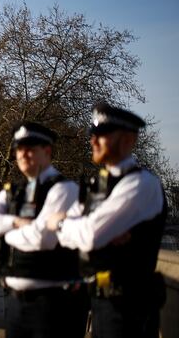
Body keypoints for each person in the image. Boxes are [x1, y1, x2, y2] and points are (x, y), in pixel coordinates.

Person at [46, 102, 166, 338]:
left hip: (129, 306)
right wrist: (87, 230)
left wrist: (61, 223)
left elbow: (89, 235)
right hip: (99, 300)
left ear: (128, 140)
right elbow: (76, 237)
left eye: (102, 135)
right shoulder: (99, 187)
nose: (93, 141)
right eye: (93, 134)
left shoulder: (141, 183)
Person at [0, 122, 87, 338]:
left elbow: (42, 238)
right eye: (19, 149)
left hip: (54, 304)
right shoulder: (14, 192)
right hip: (17, 303)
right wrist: (16, 223)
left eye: (30, 149)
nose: (23, 154)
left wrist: (5, 231)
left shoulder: (64, 189)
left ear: (47, 151)